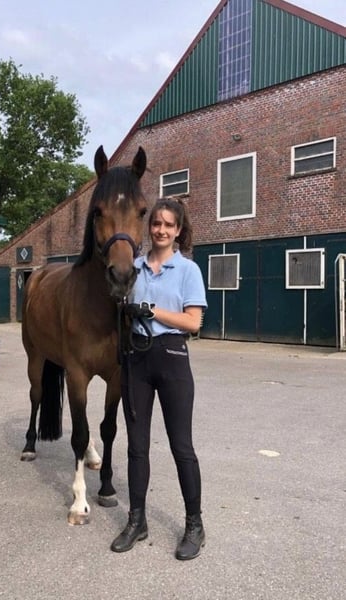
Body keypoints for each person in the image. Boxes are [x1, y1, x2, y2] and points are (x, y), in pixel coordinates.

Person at [111, 198, 207, 561]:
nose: (161, 230)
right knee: (136, 446)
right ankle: (137, 521)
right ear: (148, 227)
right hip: (136, 359)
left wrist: (152, 311)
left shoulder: (187, 270)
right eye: (156, 223)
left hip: (171, 358)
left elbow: (193, 322)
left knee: (181, 446)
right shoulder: (133, 267)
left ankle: (194, 524)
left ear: (178, 230)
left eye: (168, 225)